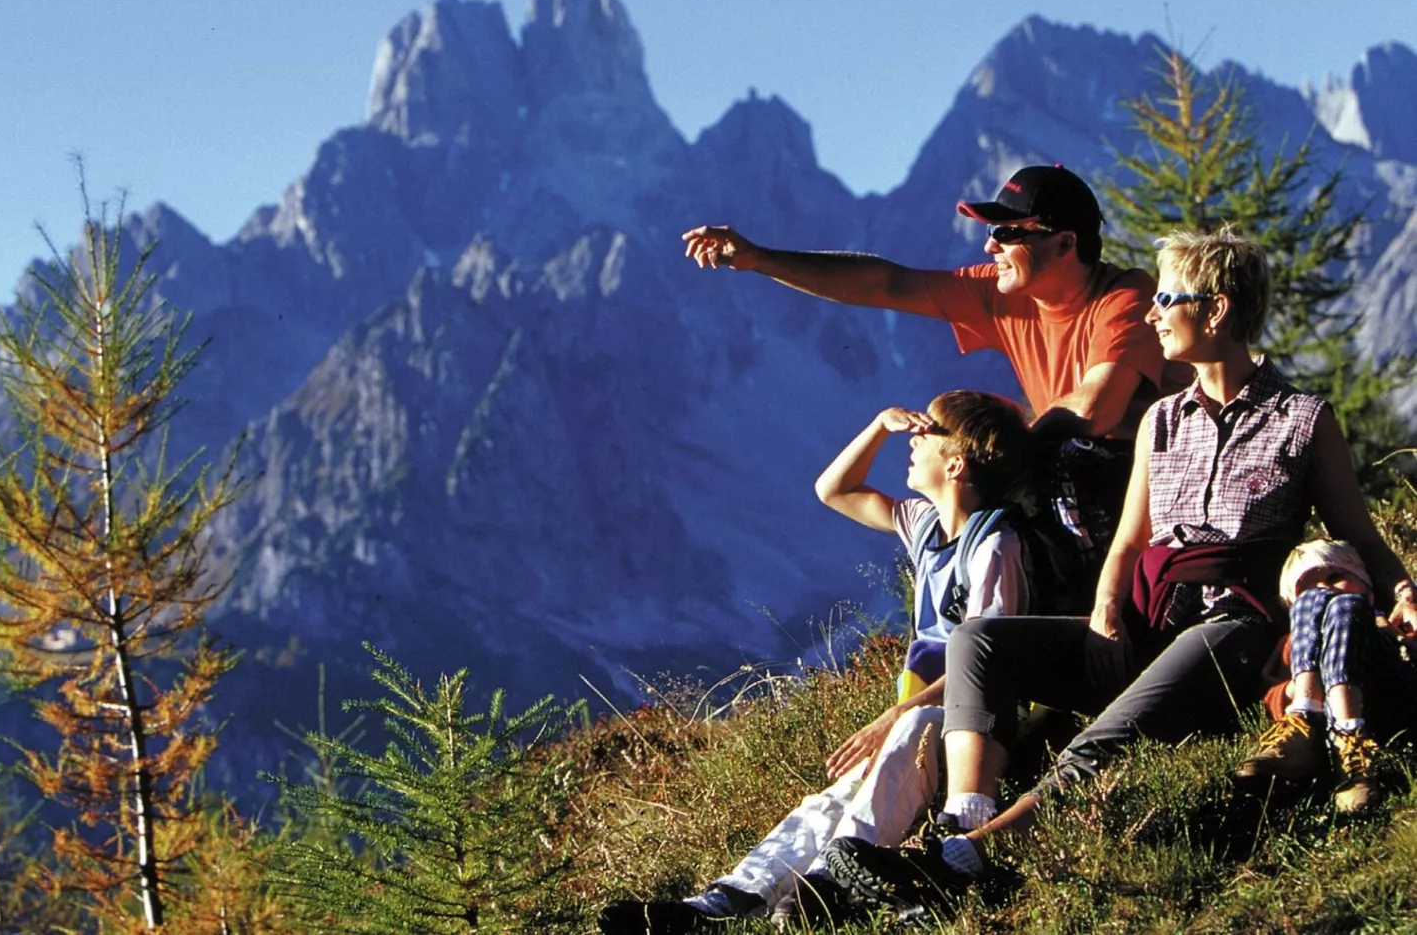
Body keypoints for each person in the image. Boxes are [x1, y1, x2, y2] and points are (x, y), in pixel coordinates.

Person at [813, 227, 1417, 911]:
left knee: (1109, 731)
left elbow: (1357, 533)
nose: (1151, 313)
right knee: (976, 642)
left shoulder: (1302, 420)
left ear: (1214, 311)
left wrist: (1402, 590)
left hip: (1232, 623)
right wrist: (1104, 609)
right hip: (1140, 613)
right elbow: (1129, 540)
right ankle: (964, 819)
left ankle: (970, 861)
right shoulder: (1162, 419)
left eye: (1166, 299)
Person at [597, 390, 1032, 933]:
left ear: (956, 462)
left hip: (963, 722)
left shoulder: (993, 544)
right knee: (832, 797)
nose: (913, 438)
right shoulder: (923, 525)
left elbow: (987, 663)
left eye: (928, 431)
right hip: (918, 709)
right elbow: (835, 489)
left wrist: (895, 716)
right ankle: (726, 901)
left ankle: (829, 883)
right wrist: (879, 425)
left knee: (911, 732)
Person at [684, 164, 1171, 599]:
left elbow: (1096, 409)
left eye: (1007, 232)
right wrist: (760, 259)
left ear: (1065, 243)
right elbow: (889, 284)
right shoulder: (998, 292)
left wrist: (1000, 452)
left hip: (1142, 496)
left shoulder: (1124, 295)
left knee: (1068, 459)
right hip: (1072, 494)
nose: (990, 245)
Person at [1237, 539, 1417, 812]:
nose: (1323, 589)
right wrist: (1293, 690)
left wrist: (1397, 633)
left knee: (1345, 607)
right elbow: (1268, 694)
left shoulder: (1394, 623)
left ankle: (1348, 736)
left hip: (1389, 699)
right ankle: (1311, 724)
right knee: (1328, 608)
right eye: (1307, 589)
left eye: (1336, 577)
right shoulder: (1294, 643)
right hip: (1323, 716)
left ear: (1368, 586)